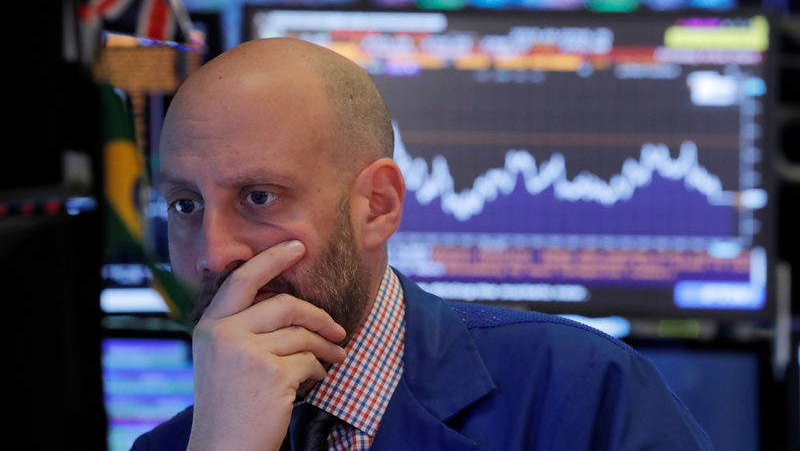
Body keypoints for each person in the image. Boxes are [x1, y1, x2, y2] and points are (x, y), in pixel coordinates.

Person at [131, 37, 713, 451]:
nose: (212, 253)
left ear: (376, 205)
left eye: (259, 197)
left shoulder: (583, 391)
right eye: (186, 205)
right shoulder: (180, 446)